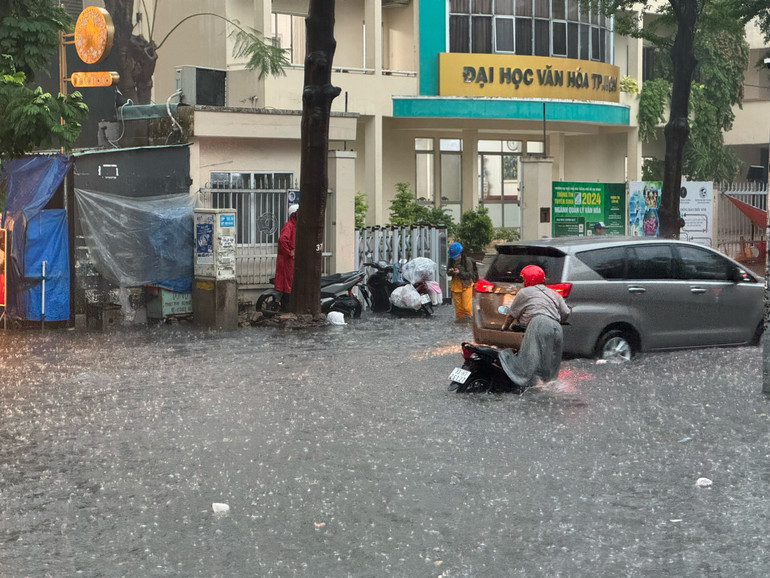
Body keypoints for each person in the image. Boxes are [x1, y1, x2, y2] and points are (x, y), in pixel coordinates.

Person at [498, 265, 571, 388]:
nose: (522, 282)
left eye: (523, 279)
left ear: (528, 279)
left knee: (530, 361)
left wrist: (504, 327)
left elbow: (512, 314)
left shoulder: (524, 292)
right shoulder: (554, 293)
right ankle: (548, 391)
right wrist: (559, 320)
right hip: (557, 327)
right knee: (551, 367)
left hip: (538, 324)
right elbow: (566, 312)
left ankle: (525, 386)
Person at [274, 204, 298, 310]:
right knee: (288, 283)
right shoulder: (289, 226)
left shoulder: (295, 226)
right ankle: (286, 307)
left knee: (291, 282)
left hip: (290, 259)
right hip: (287, 260)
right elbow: (282, 239)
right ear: (294, 214)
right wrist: (289, 252)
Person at [447, 241, 478, 319]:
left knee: (466, 307)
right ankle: (460, 321)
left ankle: (469, 320)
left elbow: (470, 274)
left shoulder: (467, 261)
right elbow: (447, 272)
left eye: (456, 256)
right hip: (455, 285)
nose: (455, 258)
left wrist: (459, 273)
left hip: (466, 285)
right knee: (458, 308)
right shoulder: (451, 260)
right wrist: (451, 272)